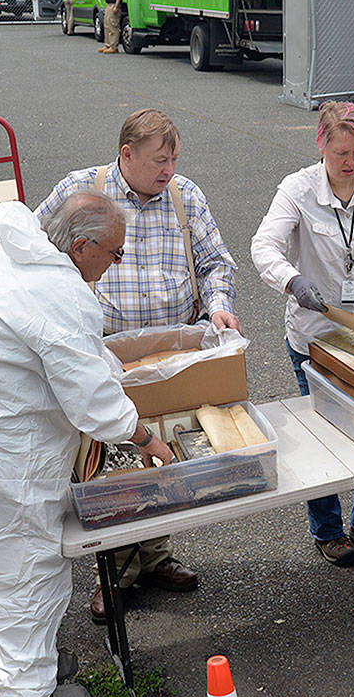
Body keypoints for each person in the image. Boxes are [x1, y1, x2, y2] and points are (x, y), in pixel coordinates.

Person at [0, 193, 174, 697]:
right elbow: (93, 401)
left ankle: (20, 656)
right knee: (28, 568)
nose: (115, 265)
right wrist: (146, 439)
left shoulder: (1, 259)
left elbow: (67, 353)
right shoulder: (58, 292)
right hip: (11, 456)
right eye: (114, 254)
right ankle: (21, 694)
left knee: (2, 563)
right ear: (82, 245)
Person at [35, 107, 239, 623]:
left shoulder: (185, 195)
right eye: (158, 161)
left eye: (174, 160)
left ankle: (154, 556)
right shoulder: (81, 191)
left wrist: (218, 304)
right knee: (109, 464)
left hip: (170, 356)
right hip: (101, 353)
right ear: (126, 154)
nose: (168, 170)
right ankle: (114, 574)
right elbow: (36, 255)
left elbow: (216, 262)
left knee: (163, 451)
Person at [250, 101, 354, 566]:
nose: (350, 163)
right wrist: (292, 281)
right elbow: (263, 246)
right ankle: (327, 529)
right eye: (341, 152)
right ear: (321, 145)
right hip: (316, 335)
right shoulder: (298, 189)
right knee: (322, 431)